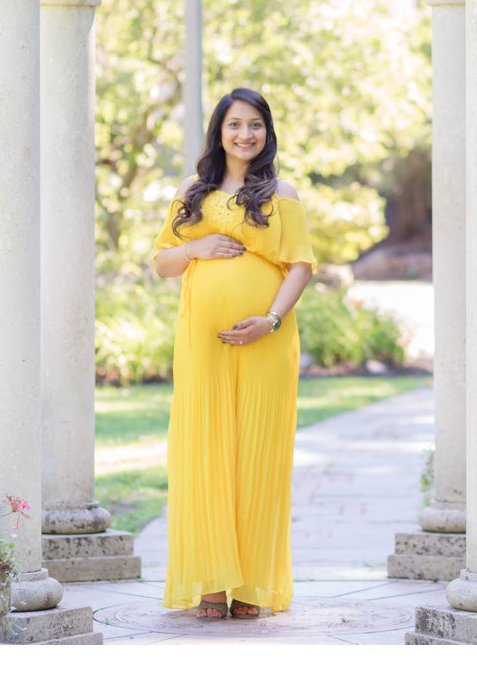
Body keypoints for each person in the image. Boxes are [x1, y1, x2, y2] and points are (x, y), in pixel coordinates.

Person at [151, 87, 316, 620]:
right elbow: (162, 263)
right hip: (202, 346)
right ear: (219, 132)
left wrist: (269, 321)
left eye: (256, 125)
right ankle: (210, 583)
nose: (246, 134)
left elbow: (300, 266)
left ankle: (249, 587)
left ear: (267, 133)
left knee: (258, 454)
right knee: (204, 449)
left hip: (266, 343)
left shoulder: (281, 192)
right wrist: (195, 248)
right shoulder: (191, 192)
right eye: (235, 125)